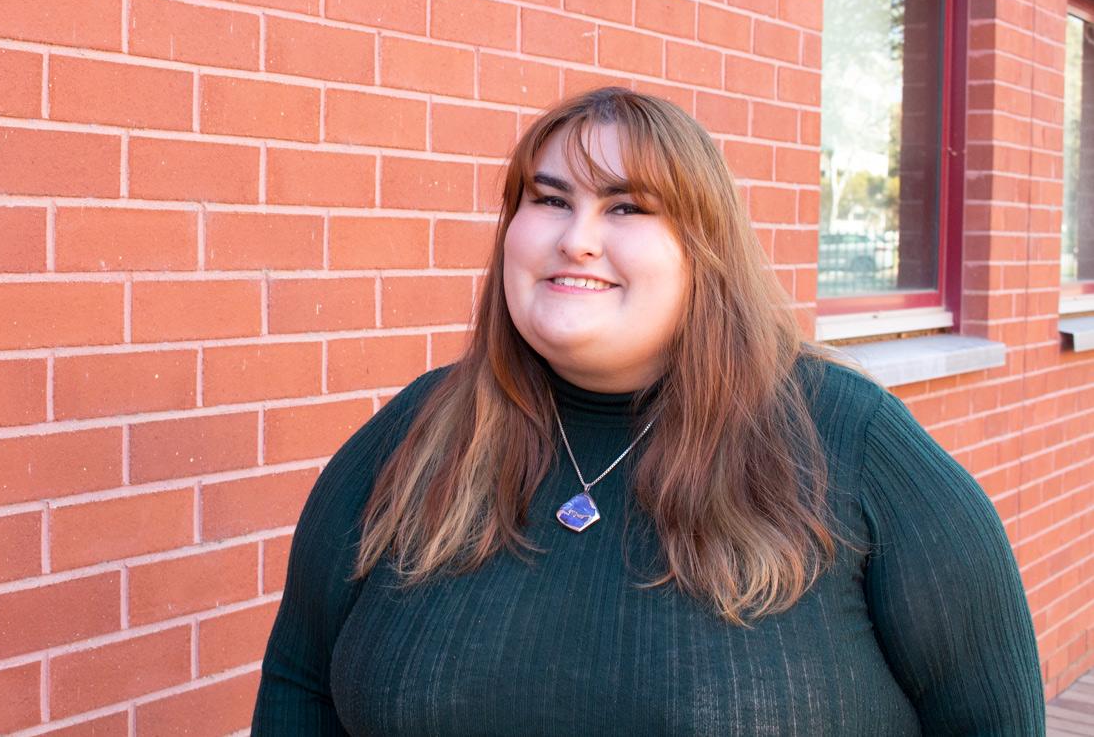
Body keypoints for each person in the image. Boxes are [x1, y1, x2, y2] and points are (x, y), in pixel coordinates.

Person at [251, 87, 1045, 735]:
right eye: (549, 199)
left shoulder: (854, 445)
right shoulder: (415, 437)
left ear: (707, 250)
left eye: (627, 208)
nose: (578, 239)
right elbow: (298, 686)